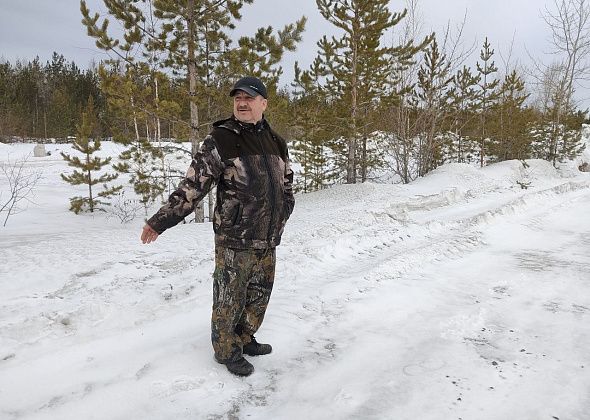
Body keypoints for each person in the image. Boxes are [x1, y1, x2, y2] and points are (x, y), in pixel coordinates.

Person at [140, 76, 295, 377]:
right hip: (235, 238)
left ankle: (245, 338)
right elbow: (191, 188)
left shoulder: (276, 141)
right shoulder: (220, 140)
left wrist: (282, 214)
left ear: (263, 103)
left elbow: (286, 186)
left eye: (249, 97)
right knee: (229, 297)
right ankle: (226, 350)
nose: (242, 103)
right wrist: (160, 221)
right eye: (238, 97)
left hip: (268, 237)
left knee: (259, 295)